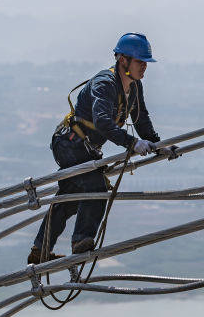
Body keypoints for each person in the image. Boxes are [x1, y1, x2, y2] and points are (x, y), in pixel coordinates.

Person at [27, 32, 171, 265]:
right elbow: (103, 122)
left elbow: (141, 119)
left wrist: (159, 145)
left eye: (146, 62)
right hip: (70, 144)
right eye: (139, 62)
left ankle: (39, 251)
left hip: (83, 148)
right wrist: (133, 143)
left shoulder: (134, 87)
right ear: (123, 60)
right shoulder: (104, 84)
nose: (144, 67)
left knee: (69, 199)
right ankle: (82, 240)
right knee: (95, 186)